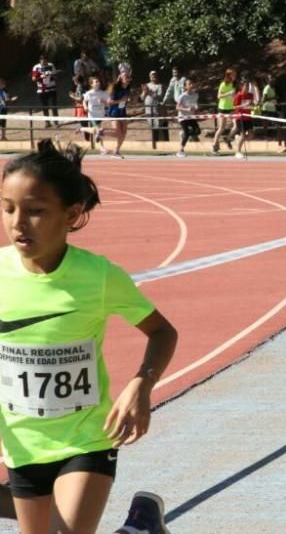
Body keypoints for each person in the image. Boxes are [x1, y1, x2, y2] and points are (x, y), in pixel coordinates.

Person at [0, 139, 177, 533]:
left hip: (87, 439)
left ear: (72, 213)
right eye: (8, 208)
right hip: (22, 444)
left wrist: (141, 384)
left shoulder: (98, 276)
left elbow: (162, 332)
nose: (17, 223)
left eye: (35, 211)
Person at [259, 74, 286, 153]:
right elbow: (263, 100)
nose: (273, 80)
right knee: (270, 127)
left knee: (279, 126)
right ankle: (269, 139)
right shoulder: (267, 88)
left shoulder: (274, 88)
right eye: (271, 78)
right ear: (268, 80)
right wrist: (273, 98)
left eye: (273, 78)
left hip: (273, 109)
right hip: (267, 110)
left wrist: (276, 101)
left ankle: (280, 145)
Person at [212, 68, 237, 154]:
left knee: (236, 125)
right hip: (223, 108)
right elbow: (219, 96)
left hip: (231, 108)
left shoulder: (233, 84)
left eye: (235, 74)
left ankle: (228, 138)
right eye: (233, 74)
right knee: (221, 128)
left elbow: (234, 96)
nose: (235, 76)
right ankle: (214, 145)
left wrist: (234, 98)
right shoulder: (223, 84)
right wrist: (228, 94)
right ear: (229, 75)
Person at [30, 55, 60, 128]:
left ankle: (56, 122)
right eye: (42, 61)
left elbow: (56, 76)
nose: (44, 62)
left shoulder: (51, 65)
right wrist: (41, 76)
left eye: (45, 61)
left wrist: (52, 74)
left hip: (52, 88)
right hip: (42, 89)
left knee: (54, 105)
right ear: (40, 60)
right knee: (45, 106)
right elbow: (33, 78)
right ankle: (47, 122)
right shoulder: (36, 67)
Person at [107, 74, 132, 159]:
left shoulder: (128, 89)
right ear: (121, 79)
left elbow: (126, 101)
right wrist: (121, 100)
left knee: (123, 133)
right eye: (126, 77)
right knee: (118, 133)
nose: (128, 79)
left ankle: (116, 151)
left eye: (129, 77)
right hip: (114, 112)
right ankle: (102, 132)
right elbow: (110, 102)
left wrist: (133, 99)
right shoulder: (116, 88)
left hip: (122, 112)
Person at [82, 76, 110, 152]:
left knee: (96, 130)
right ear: (91, 84)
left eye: (98, 81)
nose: (98, 83)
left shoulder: (103, 93)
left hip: (100, 115)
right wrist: (85, 107)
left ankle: (82, 129)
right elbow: (84, 101)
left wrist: (103, 101)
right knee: (98, 130)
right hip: (92, 115)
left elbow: (108, 104)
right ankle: (102, 147)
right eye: (96, 82)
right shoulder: (89, 93)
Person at [231, 77, 255, 159]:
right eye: (245, 86)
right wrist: (243, 105)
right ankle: (238, 152)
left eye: (248, 87)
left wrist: (253, 106)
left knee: (251, 136)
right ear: (242, 87)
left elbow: (252, 105)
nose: (247, 88)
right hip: (240, 117)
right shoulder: (239, 95)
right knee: (243, 135)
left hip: (248, 117)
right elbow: (234, 107)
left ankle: (239, 139)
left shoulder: (251, 95)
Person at [176, 78, 200, 157]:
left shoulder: (195, 95)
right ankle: (180, 151)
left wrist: (196, 107)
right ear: (186, 87)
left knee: (197, 131)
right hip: (183, 117)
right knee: (186, 133)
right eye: (189, 84)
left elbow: (195, 103)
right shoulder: (182, 96)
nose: (191, 85)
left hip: (191, 116)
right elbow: (177, 107)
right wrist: (186, 109)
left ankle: (184, 134)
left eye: (192, 83)